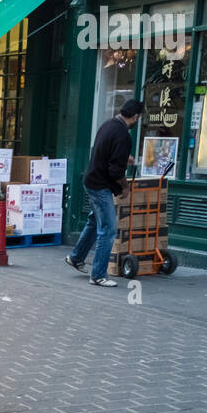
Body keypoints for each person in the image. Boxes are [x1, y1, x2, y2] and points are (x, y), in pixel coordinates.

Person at [65, 98, 145, 288]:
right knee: (108, 229)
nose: (137, 120)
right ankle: (98, 275)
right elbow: (115, 171)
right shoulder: (123, 135)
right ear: (135, 116)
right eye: (138, 117)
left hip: (91, 180)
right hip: (100, 186)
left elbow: (105, 152)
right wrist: (125, 187)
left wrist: (125, 158)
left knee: (94, 222)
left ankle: (76, 257)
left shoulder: (108, 125)